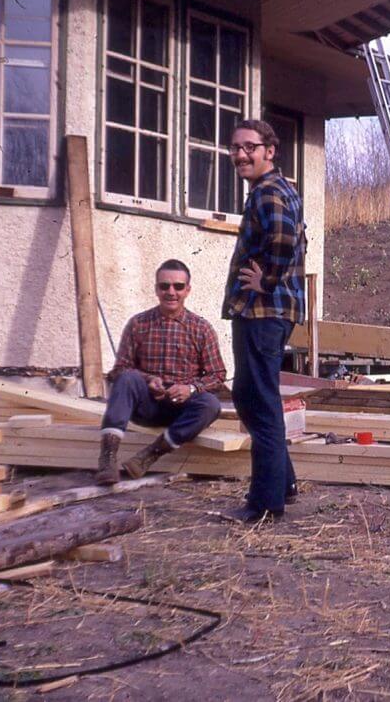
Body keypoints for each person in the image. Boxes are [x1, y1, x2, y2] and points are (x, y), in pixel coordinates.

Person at [222, 119, 307, 524]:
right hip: (264, 312)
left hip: (263, 311)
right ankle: (284, 483)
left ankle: (264, 504)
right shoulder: (273, 189)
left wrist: (267, 280)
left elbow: (284, 238)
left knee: (260, 401)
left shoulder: (269, 192)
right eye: (235, 148)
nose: (240, 154)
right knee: (251, 396)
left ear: (269, 151)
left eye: (249, 147)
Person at [94, 260, 225, 485]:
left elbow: (218, 374)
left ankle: (149, 456)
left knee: (210, 404)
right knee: (127, 378)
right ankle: (108, 458)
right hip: (147, 405)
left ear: (188, 290)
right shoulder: (138, 323)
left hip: (182, 409)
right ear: (156, 289)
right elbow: (119, 369)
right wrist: (148, 379)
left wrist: (190, 388)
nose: (171, 292)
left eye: (178, 286)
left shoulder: (201, 328)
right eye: (164, 286)